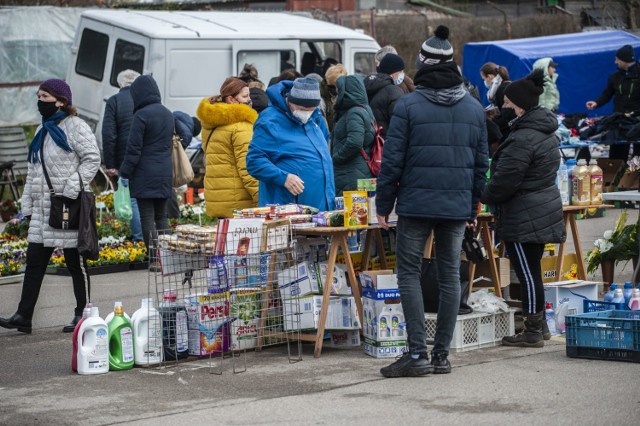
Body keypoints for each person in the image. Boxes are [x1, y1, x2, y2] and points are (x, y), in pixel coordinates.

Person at [376, 26, 489, 377]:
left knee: (408, 272)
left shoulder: (408, 105)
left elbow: (391, 161)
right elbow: (481, 164)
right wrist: (472, 208)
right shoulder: (473, 107)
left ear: (422, 63)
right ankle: (440, 356)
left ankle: (416, 354)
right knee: (449, 275)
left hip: (415, 203)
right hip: (455, 206)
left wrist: (383, 205)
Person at [0, 79, 101, 334]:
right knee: (34, 263)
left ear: (61, 101)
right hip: (43, 209)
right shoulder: (41, 130)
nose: (39, 101)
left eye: (44, 96)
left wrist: (71, 187)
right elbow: (34, 170)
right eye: (38, 96)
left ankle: (82, 313)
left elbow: (92, 158)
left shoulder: (76, 127)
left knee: (75, 263)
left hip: (69, 205)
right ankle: (24, 315)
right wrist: (27, 204)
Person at [481, 69, 566, 347]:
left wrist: (482, 193)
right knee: (533, 271)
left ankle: (531, 330)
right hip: (540, 207)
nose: (502, 108)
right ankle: (538, 327)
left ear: (518, 106)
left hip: (523, 211)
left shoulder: (523, 138)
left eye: (506, 104)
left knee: (527, 272)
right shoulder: (544, 131)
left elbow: (504, 182)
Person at [247, 77, 335, 211]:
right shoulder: (270, 121)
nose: (306, 113)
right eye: (302, 108)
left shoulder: (315, 118)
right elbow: (254, 161)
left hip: (320, 209)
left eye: (311, 109)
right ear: (290, 101)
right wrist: (284, 178)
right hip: (290, 210)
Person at [119, 75, 173, 258]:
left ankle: (153, 258)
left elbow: (133, 149)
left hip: (144, 174)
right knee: (162, 217)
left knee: (147, 217)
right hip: (165, 172)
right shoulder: (167, 113)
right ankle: (167, 259)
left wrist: (124, 173)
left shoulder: (140, 115)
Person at [196, 77, 258, 218]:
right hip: (239, 203)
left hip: (217, 198)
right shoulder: (241, 126)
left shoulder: (210, 123)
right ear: (231, 99)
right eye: (245, 96)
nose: (249, 100)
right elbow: (247, 168)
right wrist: (260, 198)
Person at [101, 69, 143, 242]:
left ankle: (139, 238)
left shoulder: (114, 101)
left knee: (132, 197)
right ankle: (149, 238)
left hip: (124, 157)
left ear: (119, 84)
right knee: (144, 198)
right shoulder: (144, 100)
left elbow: (109, 134)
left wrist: (110, 163)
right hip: (146, 155)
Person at [586, 45, 640, 159]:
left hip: (637, 119)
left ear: (625, 60)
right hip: (619, 119)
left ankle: (635, 175)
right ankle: (616, 174)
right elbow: (607, 94)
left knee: (638, 153)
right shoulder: (614, 77)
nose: (616, 62)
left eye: (617, 59)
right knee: (617, 153)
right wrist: (596, 103)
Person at [331, 75, 376, 195]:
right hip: (358, 170)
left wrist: (335, 158)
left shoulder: (353, 113)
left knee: (351, 212)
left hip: (350, 173)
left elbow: (355, 142)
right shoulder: (364, 109)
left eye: (338, 91)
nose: (336, 95)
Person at [166, 112, 201, 219]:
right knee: (168, 186)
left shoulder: (179, 115)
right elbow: (179, 156)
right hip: (166, 158)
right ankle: (174, 217)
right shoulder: (187, 134)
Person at [364, 53, 405, 139]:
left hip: (369, 142)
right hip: (385, 143)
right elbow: (399, 125)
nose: (403, 74)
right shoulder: (395, 92)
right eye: (400, 71)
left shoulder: (366, 85)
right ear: (393, 72)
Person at [321, 64, 348, 133]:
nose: (335, 90)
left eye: (338, 86)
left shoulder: (349, 95)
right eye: (331, 86)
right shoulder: (321, 98)